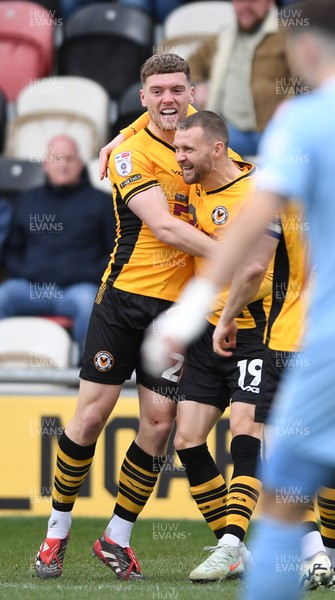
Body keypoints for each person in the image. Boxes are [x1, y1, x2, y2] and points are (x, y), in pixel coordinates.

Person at [142, 2, 335, 599]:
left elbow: (248, 242)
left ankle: (297, 555)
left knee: (283, 489)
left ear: (303, 51)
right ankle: (327, 553)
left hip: (329, 333)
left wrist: (189, 313)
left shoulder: (302, 121)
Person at [33, 53, 217, 581]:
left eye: (177, 89)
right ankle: (54, 534)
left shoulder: (199, 144)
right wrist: (232, 252)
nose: (168, 99)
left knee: (158, 425)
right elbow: (163, 226)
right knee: (91, 417)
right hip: (124, 299)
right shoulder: (129, 154)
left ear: (190, 94)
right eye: (157, 90)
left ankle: (116, 537)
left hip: (176, 312)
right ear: (142, 96)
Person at [213, 206, 335, 589]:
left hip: (288, 340)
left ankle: (314, 554)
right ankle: (334, 552)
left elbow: (256, 267)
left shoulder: (285, 198)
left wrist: (227, 317)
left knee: (279, 448)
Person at [171, 110, 276, 582]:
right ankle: (233, 548)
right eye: (175, 149)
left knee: (245, 431)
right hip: (206, 331)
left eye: (187, 150)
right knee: (187, 440)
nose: (179, 158)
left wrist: (229, 318)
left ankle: (234, 543)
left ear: (218, 150)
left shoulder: (257, 195)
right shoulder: (193, 181)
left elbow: (256, 272)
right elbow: (158, 112)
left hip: (251, 329)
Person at [0, 135, 115, 359]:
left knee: (90, 305)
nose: (63, 165)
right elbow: (12, 250)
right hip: (31, 289)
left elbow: (113, 252)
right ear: (45, 164)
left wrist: (88, 275)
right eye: (56, 159)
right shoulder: (27, 200)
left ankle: (86, 373)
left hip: (78, 289)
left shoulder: (101, 203)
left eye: (69, 159)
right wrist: (27, 272)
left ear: (80, 164)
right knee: (3, 296)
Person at [188, 0, 292, 156]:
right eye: (240, 1)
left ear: (269, 3)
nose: (246, 7)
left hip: (275, 130)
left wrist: (292, 103)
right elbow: (194, 60)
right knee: (197, 150)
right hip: (233, 131)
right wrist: (199, 83)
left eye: (253, 1)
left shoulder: (287, 35)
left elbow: (307, 76)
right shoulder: (224, 37)